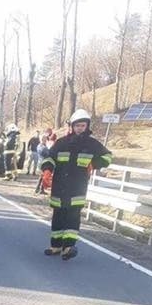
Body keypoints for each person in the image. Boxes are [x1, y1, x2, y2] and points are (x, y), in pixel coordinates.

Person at [39, 108, 112, 260]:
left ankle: (68, 247)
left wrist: (94, 163)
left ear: (87, 126)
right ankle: (56, 246)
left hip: (77, 188)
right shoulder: (61, 143)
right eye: (77, 125)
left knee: (73, 216)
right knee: (58, 216)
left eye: (83, 126)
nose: (80, 128)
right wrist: (47, 171)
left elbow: (107, 157)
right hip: (59, 186)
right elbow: (50, 158)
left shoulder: (92, 144)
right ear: (72, 126)